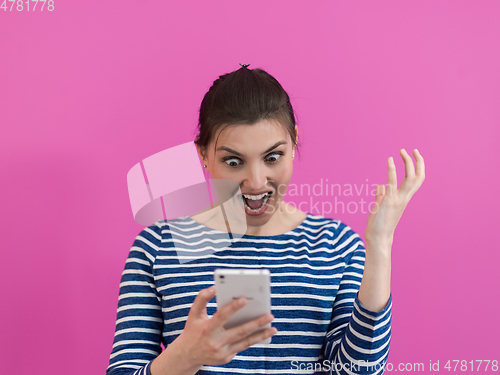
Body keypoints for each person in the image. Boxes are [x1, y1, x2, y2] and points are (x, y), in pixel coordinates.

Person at [106, 64, 425, 375]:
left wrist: (380, 247)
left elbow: (358, 371)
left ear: (294, 141)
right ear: (203, 155)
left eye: (273, 157)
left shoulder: (336, 246)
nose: (256, 181)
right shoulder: (158, 246)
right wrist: (185, 357)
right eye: (233, 161)